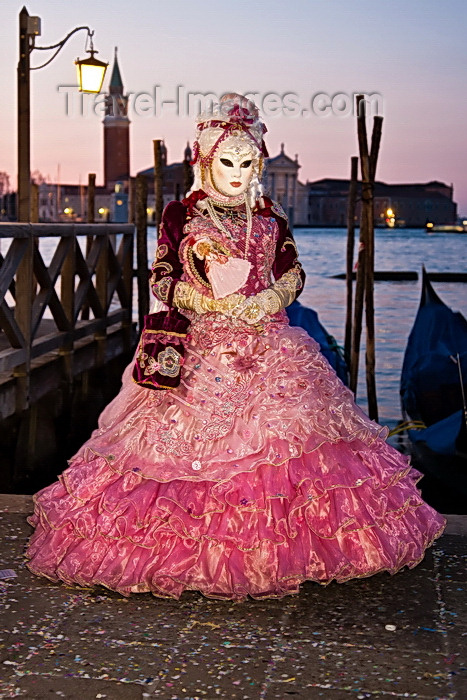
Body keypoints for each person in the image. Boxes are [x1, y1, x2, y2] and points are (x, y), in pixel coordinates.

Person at [25, 94, 445, 601]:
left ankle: (288, 547)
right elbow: (161, 277)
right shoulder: (181, 214)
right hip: (202, 346)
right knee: (176, 452)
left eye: (248, 163)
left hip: (268, 340)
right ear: (205, 161)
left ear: (260, 165)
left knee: (295, 442)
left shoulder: (270, 216)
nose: (238, 172)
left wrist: (272, 295)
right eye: (227, 161)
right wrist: (203, 300)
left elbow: (292, 271)